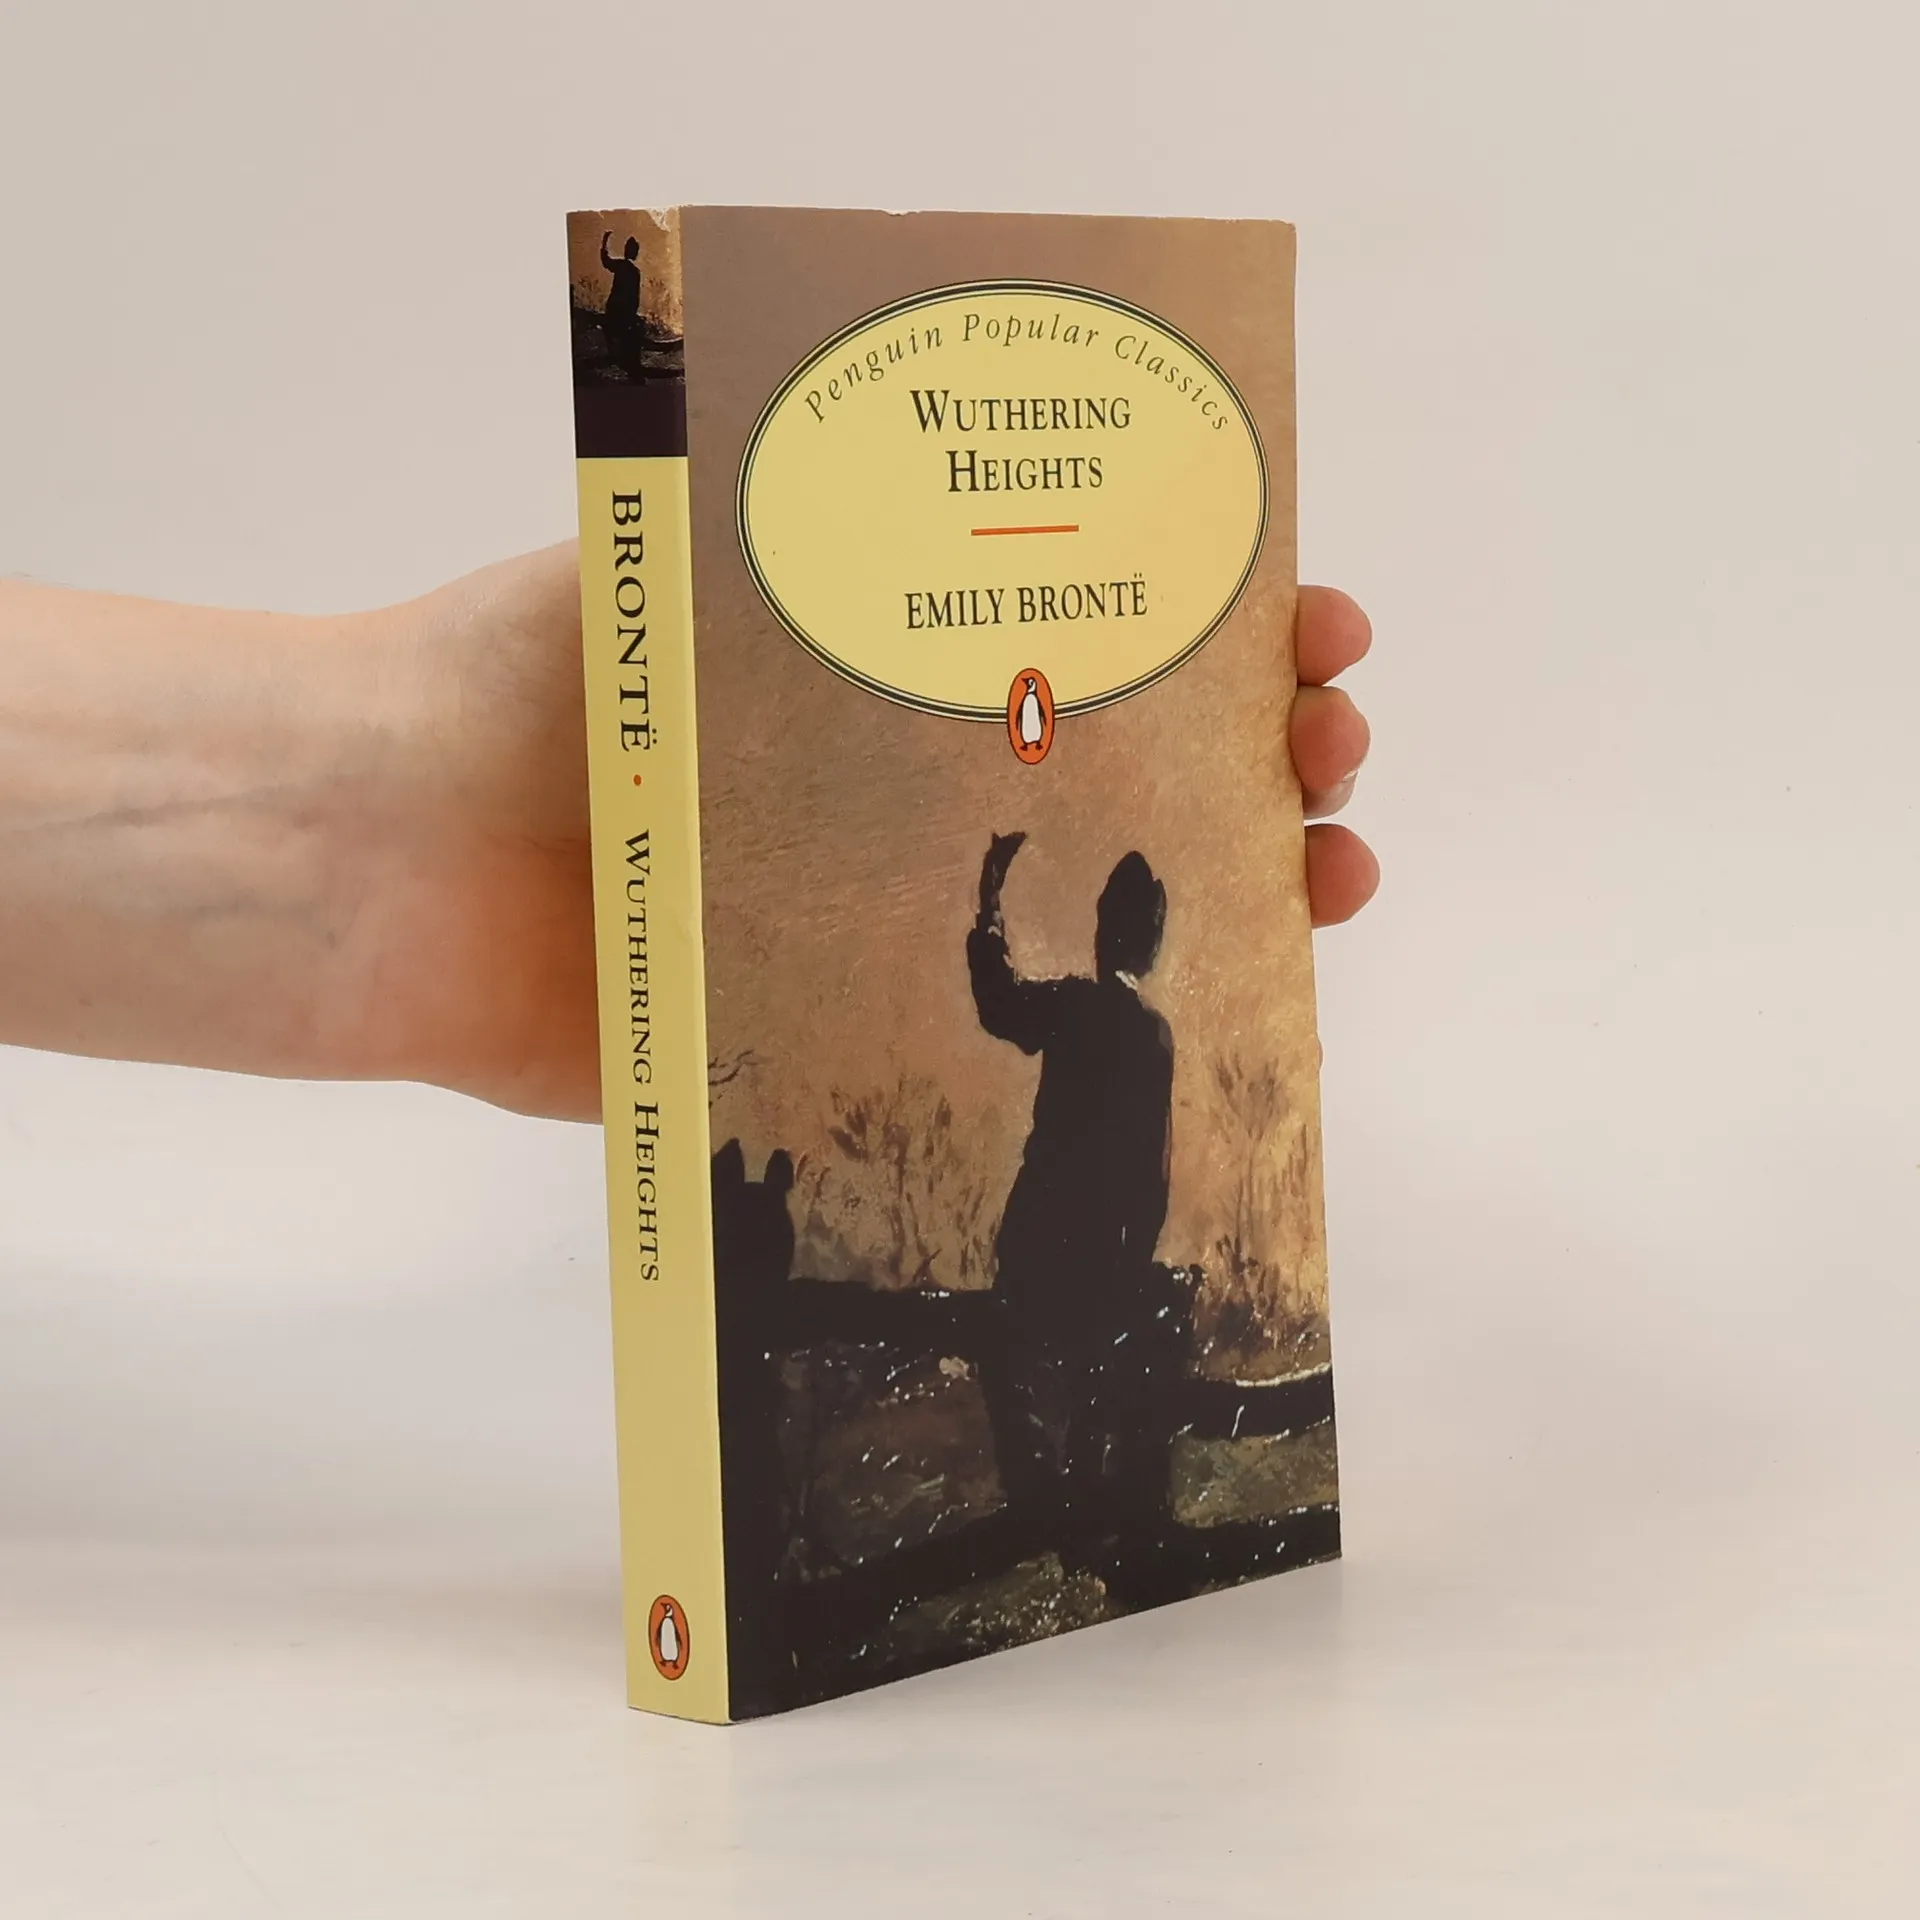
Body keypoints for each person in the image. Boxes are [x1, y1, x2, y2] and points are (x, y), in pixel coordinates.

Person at [0, 550, 1375, 1121]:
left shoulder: (1106, 1026)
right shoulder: (1136, 1034)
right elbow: (1015, 1012)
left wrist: (406, 764)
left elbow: (1004, 1003)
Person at [968, 836, 1176, 1514]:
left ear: (1102, 931)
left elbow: (999, 1003)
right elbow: (1153, 1171)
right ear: (1151, 942)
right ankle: (1073, 1507)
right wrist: (1134, 1262)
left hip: (1040, 1239)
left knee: (1010, 1360)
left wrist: (990, 903)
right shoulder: (1152, 1036)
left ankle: (1037, 1498)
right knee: (1090, 1394)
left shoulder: (1074, 1008)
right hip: (1104, 1252)